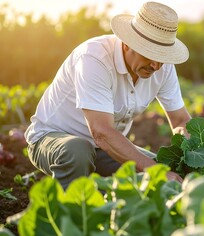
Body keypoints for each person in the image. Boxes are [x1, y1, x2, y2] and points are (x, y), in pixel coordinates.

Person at [24, 2, 190, 189]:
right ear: (128, 43)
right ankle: (69, 211)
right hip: (53, 139)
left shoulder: (163, 67)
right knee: (78, 151)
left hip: (104, 149)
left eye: (161, 57)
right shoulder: (94, 58)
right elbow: (101, 131)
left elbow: (180, 119)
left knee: (167, 171)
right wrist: (152, 170)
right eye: (149, 55)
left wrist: (195, 150)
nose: (156, 66)